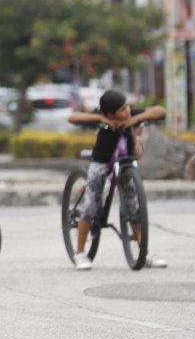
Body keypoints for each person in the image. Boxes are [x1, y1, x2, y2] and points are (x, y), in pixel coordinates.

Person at [66, 89, 167, 270]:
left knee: (133, 208)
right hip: (101, 162)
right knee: (90, 205)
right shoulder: (102, 116)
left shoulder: (130, 114)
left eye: (127, 106)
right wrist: (100, 120)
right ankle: (80, 253)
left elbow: (161, 111)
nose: (127, 110)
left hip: (126, 164)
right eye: (122, 109)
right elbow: (73, 118)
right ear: (110, 113)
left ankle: (145, 253)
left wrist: (135, 120)